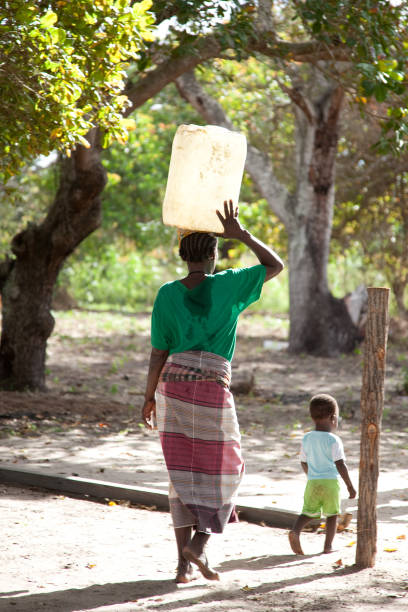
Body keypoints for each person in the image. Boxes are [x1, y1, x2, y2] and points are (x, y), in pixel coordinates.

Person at [142, 199, 284, 583]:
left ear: (183, 254)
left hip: (172, 385)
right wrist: (243, 234)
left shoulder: (167, 293)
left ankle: (182, 566)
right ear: (213, 252)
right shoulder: (230, 284)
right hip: (210, 386)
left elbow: (159, 351)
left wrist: (147, 396)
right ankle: (200, 543)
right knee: (227, 467)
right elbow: (275, 266)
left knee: (180, 475)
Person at [288, 393, 357, 555]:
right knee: (332, 515)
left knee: (308, 512)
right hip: (331, 483)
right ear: (333, 418)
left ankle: (296, 531)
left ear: (312, 417)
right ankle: (327, 547)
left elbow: (303, 462)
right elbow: (340, 464)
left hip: (313, 482)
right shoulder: (333, 440)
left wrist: (311, 475)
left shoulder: (307, 438)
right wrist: (350, 486)